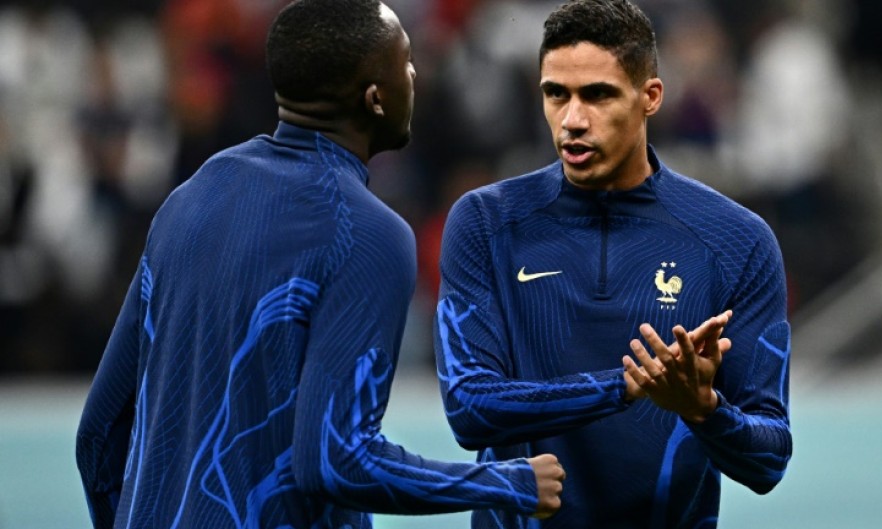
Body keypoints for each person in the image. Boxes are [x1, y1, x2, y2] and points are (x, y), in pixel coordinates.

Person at [74, 1, 567, 528]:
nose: (416, 75)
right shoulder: (369, 234)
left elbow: (98, 435)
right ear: (375, 98)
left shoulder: (189, 198)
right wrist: (503, 482)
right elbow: (336, 460)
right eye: (405, 62)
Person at [433, 1, 793, 528]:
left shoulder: (737, 240)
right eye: (556, 94)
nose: (573, 120)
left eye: (597, 95)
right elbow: (469, 409)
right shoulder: (486, 223)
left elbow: (770, 459)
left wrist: (703, 409)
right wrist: (625, 386)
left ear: (650, 97)